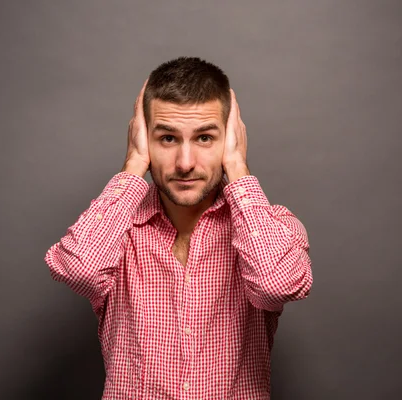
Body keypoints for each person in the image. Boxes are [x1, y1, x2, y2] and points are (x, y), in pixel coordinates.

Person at [44, 56, 313, 399]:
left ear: (230, 139)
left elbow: (273, 286)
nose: (185, 163)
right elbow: (79, 270)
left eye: (204, 138)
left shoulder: (272, 226)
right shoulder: (114, 231)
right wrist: (133, 166)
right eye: (168, 138)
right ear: (144, 140)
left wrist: (238, 166)